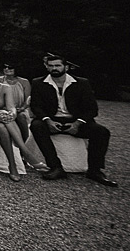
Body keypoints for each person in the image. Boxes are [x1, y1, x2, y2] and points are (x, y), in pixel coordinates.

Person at [30, 54, 116, 186]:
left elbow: (92, 109)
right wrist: (48, 121)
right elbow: (36, 106)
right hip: (52, 120)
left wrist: (77, 123)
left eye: (58, 65)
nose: (54, 68)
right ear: (46, 67)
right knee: (36, 126)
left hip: (76, 121)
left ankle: (95, 170)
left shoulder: (81, 83)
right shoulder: (38, 83)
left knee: (101, 132)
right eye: (51, 66)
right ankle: (55, 167)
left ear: (66, 67)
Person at [0, 57, 49, 181]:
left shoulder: (5, 87)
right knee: (1, 116)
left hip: (1, 120)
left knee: (2, 125)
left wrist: (11, 114)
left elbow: (11, 107)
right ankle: (26, 152)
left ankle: (12, 166)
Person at [0, 62, 32, 141]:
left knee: (21, 116)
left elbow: (28, 99)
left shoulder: (24, 82)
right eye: (5, 67)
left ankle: (25, 141)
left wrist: (21, 108)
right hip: (3, 108)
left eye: (10, 67)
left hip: (20, 108)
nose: (7, 69)